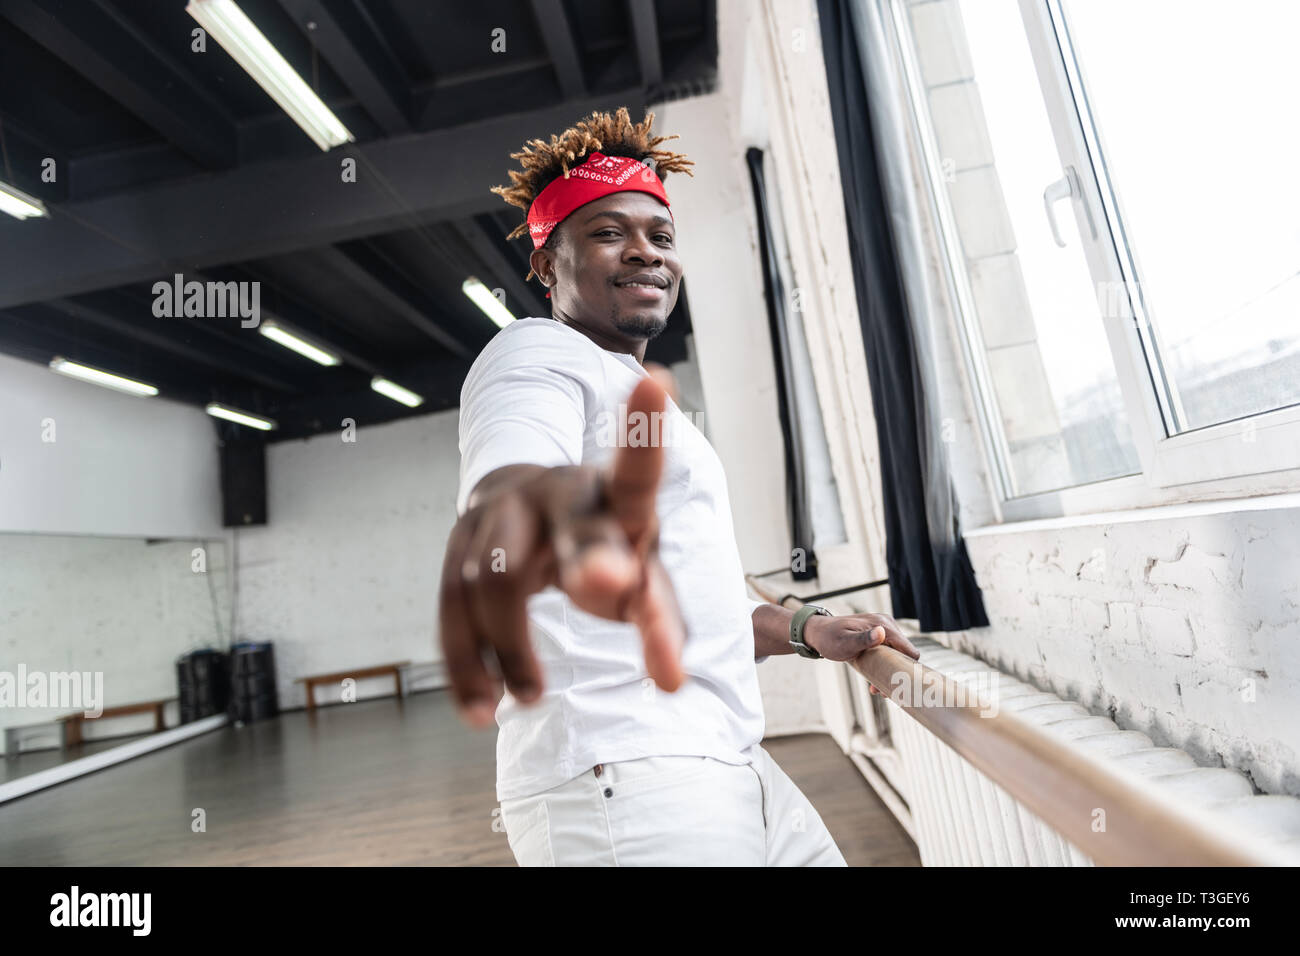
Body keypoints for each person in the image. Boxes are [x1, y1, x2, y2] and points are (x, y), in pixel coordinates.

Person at [439, 107, 920, 866]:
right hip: (625, 774)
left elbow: (703, 600)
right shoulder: (534, 355)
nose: (645, 253)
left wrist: (805, 631)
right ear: (545, 264)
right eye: (606, 233)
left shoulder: (636, 392)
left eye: (660, 236)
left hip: (722, 756)